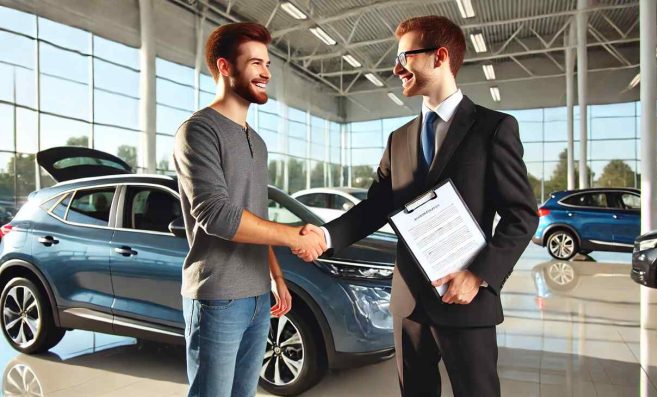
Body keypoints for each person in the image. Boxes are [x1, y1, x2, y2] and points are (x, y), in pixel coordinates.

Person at [297, 15, 539, 397]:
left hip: (466, 298)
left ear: (439, 57)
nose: (396, 68)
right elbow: (375, 208)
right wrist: (325, 235)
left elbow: (521, 215)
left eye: (404, 57)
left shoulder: (493, 128)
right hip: (408, 303)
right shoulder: (399, 139)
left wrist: (478, 275)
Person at [173, 22, 326, 397]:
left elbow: (253, 214)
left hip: (259, 297)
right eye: (255, 63)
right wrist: (295, 237)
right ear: (225, 67)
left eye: (268, 64)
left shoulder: (256, 140)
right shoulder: (198, 131)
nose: (266, 72)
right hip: (218, 297)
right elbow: (218, 215)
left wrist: (275, 277)